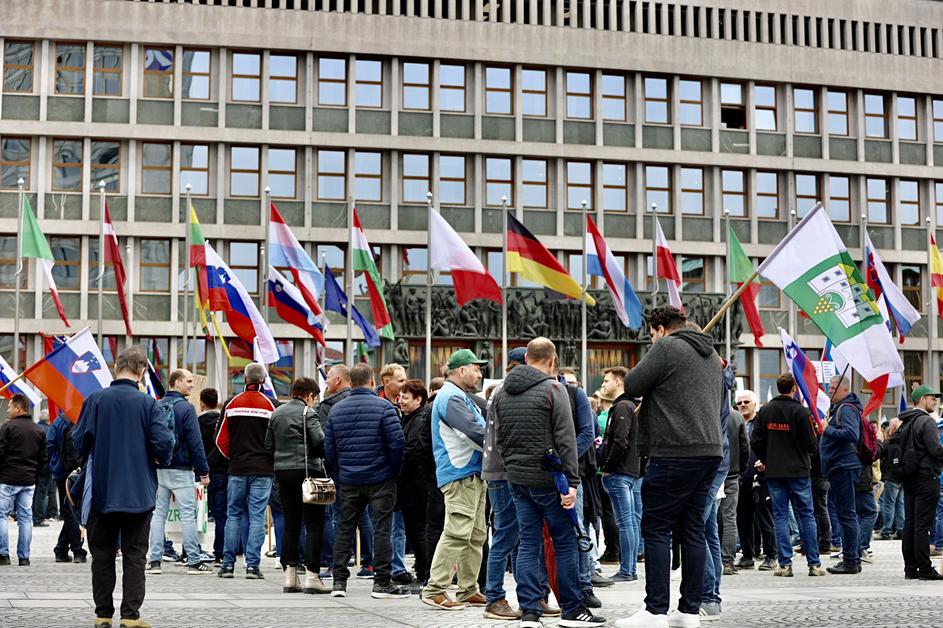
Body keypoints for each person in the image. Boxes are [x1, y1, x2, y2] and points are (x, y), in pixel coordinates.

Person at [618, 306, 722, 628]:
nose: (652, 339)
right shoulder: (711, 354)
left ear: (661, 328)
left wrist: (655, 353)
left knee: (657, 528)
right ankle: (689, 611)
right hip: (709, 451)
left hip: (674, 450)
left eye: (651, 334)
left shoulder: (666, 346)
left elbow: (632, 384)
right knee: (692, 529)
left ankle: (655, 611)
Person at [491, 338, 605, 628]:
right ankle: (572, 609)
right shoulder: (554, 390)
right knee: (564, 542)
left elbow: (499, 441)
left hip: (518, 480)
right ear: (553, 361)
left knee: (528, 543)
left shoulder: (502, 393)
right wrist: (572, 483)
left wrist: (514, 468)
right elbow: (567, 441)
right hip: (551, 480)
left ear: (527, 358)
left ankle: (530, 611)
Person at [72, 345, 176, 628]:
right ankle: (130, 616)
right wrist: (159, 456)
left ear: (116, 368)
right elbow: (164, 442)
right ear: (141, 372)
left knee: (102, 555)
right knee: (135, 555)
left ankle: (102, 614)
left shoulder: (95, 400)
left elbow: (79, 441)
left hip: (101, 491)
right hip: (138, 493)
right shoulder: (148, 404)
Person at [323, 363, 409, 600]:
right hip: (381, 479)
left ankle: (339, 582)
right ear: (372, 381)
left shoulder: (336, 410)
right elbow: (397, 444)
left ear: (350, 382)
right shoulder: (384, 408)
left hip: (349, 479)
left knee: (345, 528)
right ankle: (381, 583)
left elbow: (329, 449)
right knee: (382, 529)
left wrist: (340, 473)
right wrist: (392, 471)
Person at [422, 349, 490, 611]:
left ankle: (467, 589)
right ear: (462, 370)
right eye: (476, 368)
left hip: (470, 474)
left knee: (475, 535)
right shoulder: (451, 397)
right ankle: (435, 589)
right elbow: (475, 432)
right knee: (458, 532)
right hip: (460, 473)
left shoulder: (458, 396)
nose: (480, 374)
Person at [749, 373, 825, 578]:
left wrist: (767, 458)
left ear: (778, 387)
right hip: (798, 471)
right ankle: (814, 564)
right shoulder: (801, 411)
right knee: (806, 515)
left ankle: (784, 565)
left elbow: (755, 441)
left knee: (780, 516)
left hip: (775, 471)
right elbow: (811, 445)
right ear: (794, 388)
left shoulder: (765, 411)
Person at [266, 376, 331, 594]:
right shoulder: (308, 413)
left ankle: (290, 577)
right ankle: (312, 576)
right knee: (314, 523)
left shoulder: (276, 413)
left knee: (291, 523)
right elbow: (320, 441)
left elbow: (268, 445)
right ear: (310, 395)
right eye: (314, 398)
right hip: (308, 472)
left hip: (283, 473)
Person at [146, 369, 212, 575]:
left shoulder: (156, 405)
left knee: (158, 515)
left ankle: (154, 561)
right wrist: (203, 472)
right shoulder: (186, 408)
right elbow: (195, 443)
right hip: (181, 469)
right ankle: (193, 561)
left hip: (159, 468)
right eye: (188, 381)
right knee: (188, 516)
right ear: (176, 383)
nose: (192, 385)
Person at [216, 363, 277, 580]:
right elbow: (276, 440)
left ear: (245, 379)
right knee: (257, 516)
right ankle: (252, 566)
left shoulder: (232, 403)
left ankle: (227, 566)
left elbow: (220, 439)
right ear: (263, 380)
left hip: (237, 468)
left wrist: (234, 457)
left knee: (233, 515)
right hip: (263, 470)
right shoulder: (271, 405)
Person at [481, 347, 528, 621]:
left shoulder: (504, 389)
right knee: (506, 536)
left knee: (518, 537)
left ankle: (529, 596)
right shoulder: (506, 391)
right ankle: (494, 598)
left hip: (503, 471)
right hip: (503, 473)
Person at [597, 366, 640, 584]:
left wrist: (607, 466)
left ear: (618, 382)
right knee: (629, 521)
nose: (603, 384)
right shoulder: (630, 405)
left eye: (607, 381)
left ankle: (627, 570)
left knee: (625, 522)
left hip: (619, 472)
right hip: (628, 471)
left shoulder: (622, 406)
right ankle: (629, 568)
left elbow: (619, 442)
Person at [897, 385, 943, 580]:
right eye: (932, 398)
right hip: (926, 477)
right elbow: (935, 450)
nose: (935, 402)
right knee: (923, 524)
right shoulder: (926, 421)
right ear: (922, 399)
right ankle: (925, 569)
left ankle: (910, 569)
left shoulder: (906, 421)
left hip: (909, 478)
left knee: (910, 524)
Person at [820, 375, 862, 575]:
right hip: (839, 467)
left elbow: (851, 434)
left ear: (845, 389)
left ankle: (851, 560)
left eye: (834, 387)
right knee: (846, 514)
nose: (830, 390)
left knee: (846, 514)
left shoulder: (846, 409)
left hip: (844, 466)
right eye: (829, 387)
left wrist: (827, 430)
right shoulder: (838, 409)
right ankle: (853, 558)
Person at [0, 393, 46, 566]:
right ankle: (24, 557)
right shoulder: (38, 430)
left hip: (8, 479)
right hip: (28, 481)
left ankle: (3, 554)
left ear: (18, 408)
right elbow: (43, 458)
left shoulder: (7, 428)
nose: (8, 410)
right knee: (26, 518)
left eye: (10, 407)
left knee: (1, 515)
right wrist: (34, 475)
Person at [397, 378, 433, 590]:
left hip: (417, 486)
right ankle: (424, 572)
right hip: (414, 485)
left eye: (405, 397)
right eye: (400, 397)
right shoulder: (412, 418)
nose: (400, 401)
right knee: (416, 530)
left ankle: (424, 575)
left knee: (419, 531)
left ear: (418, 399)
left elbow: (413, 452)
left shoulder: (418, 420)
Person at [735, 389, 776, 571]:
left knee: (764, 517)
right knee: (742, 518)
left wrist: (767, 462)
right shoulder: (736, 422)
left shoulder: (761, 422)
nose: (742, 405)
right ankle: (747, 555)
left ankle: (771, 555)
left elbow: (772, 444)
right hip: (739, 477)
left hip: (760, 476)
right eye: (739, 403)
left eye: (746, 402)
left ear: (754, 404)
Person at [47, 411, 87, 563]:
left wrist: (55, 462)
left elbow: (49, 444)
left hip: (62, 472)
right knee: (72, 512)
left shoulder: (59, 421)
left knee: (70, 511)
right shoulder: (83, 419)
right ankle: (77, 550)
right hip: (79, 472)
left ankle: (61, 549)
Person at [197, 388, 228, 563]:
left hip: (201, 473)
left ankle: (192, 550)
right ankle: (220, 552)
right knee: (221, 515)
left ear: (202, 403)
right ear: (216, 402)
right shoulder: (222, 422)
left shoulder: (196, 422)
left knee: (196, 513)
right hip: (222, 472)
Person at [720, 399, 747, 575]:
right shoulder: (737, 417)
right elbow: (745, 446)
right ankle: (728, 561)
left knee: (712, 518)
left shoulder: (713, 413)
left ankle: (714, 558)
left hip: (714, 472)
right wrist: (741, 469)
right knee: (729, 517)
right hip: (732, 473)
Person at [31, 410, 53, 527]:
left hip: (32, 464)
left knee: (32, 491)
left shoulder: (33, 428)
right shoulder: (49, 430)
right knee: (42, 491)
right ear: (48, 419)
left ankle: (28, 516)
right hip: (45, 465)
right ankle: (38, 518)